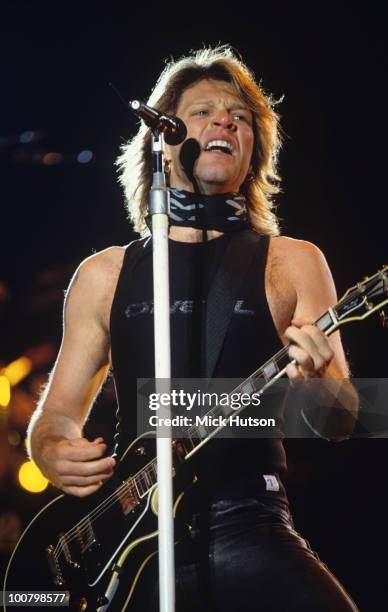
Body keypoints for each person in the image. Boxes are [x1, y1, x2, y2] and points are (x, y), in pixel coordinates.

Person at [28, 46, 359, 610]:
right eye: (203, 110)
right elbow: (57, 415)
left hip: (248, 521)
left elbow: (343, 419)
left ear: (255, 149)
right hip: (131, 538)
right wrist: (49, 448)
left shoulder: (294, 260)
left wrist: (317, 380)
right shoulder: (104, 273)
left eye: (241, 115)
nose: (225, 120)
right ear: (163, 135)